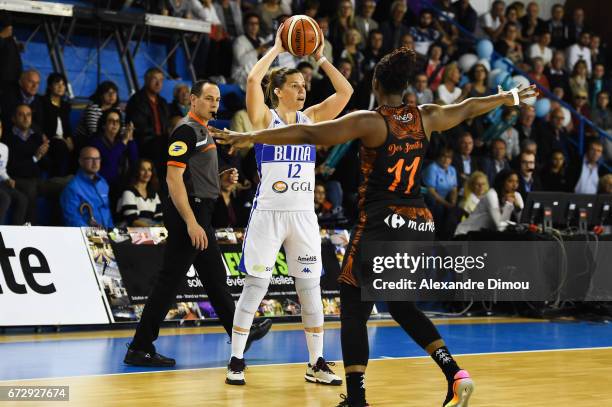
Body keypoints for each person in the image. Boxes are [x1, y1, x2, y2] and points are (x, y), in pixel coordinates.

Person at [212, 47, 538, 407]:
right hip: (419, 222)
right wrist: (506, 96)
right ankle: (454, 372)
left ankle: (356, 399)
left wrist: (251, 138)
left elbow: (308, 135)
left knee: (353, 305)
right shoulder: (425, 116)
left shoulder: (371, 120)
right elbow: (468, 107)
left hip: (383, 222)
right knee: (401, 306)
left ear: (377, 84)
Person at [225, 22, 352, 387]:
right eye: (295, 85)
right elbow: (252, 82)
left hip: (302, 216)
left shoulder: (310, 119)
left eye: (304, 86)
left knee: (311, 290)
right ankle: (236, 359)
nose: (302, 90)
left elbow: (345, 92)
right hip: (268, 214)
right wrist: (277, 48)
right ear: (278, 91)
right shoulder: (266, 118)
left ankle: (317, 362)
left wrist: (320, 58)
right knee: (256, 287)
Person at [124, 80, 271, 368]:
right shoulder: (186, 130)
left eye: (217, 99)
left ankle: (240, 329)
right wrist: (191, 222)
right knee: (170, 281)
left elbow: (195, 178)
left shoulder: (202, 130)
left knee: (215, 277)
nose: (214, 104)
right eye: (208, 98)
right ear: (193, 100)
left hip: (200, 212)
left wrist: (220, 180)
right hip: (188, 214)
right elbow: (173, 179)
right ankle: (140, 346)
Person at [455, 169, 523, 235]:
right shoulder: (491, 195)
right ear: (502, 182)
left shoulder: (517, 195)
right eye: (510, 181)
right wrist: (508, 205)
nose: (515, 185)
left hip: (484, 235)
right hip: (465, 234)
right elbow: (500, 227)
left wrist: (518, 208)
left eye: (517, 181)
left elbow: (524, 223)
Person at [60, 147, 114, 228]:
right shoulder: (72, 188)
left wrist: (111, 231)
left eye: (97, 159)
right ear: (81, 162)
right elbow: (73, 220)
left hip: (107, 234)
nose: (95, 163)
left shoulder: (103, 183)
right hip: (87, 236)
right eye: (90, 159)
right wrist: (94, 234)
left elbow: (107, 212)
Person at [90, 108, 138, 193]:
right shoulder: (96, 142)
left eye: (117, 121)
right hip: (103, 183)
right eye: (111, 120)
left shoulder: (121, 141)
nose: (115, 124)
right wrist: (123, 142)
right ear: (104, 125)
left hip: (122, 183)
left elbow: (134, 160)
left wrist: (130, 138)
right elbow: (109, 162)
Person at [116, 158, 163, 227]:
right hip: (132, 230)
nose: (147, 173)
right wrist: (152, 229)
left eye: (149, 170)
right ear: (137, 171)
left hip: (151, 229)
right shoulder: (129, 192)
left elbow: (159, 218)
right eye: (143, 169)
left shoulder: (154, 194)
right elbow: (132, 220)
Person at [73, 81, 120, 147]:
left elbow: (121, 129)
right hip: (86, 140)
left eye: (114, 93)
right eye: (108, 92)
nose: (111, 95)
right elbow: (94, 132)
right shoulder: (93, 108)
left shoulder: (117, 110)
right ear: (100, 95)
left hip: (108, 138)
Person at [0, 121, 27, 224]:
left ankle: (16, 234)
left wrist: (7, 179)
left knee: (22, 199)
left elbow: (2, 170)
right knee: (5, 198)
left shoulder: (4, 148)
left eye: (0, 127)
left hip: (1, 184)